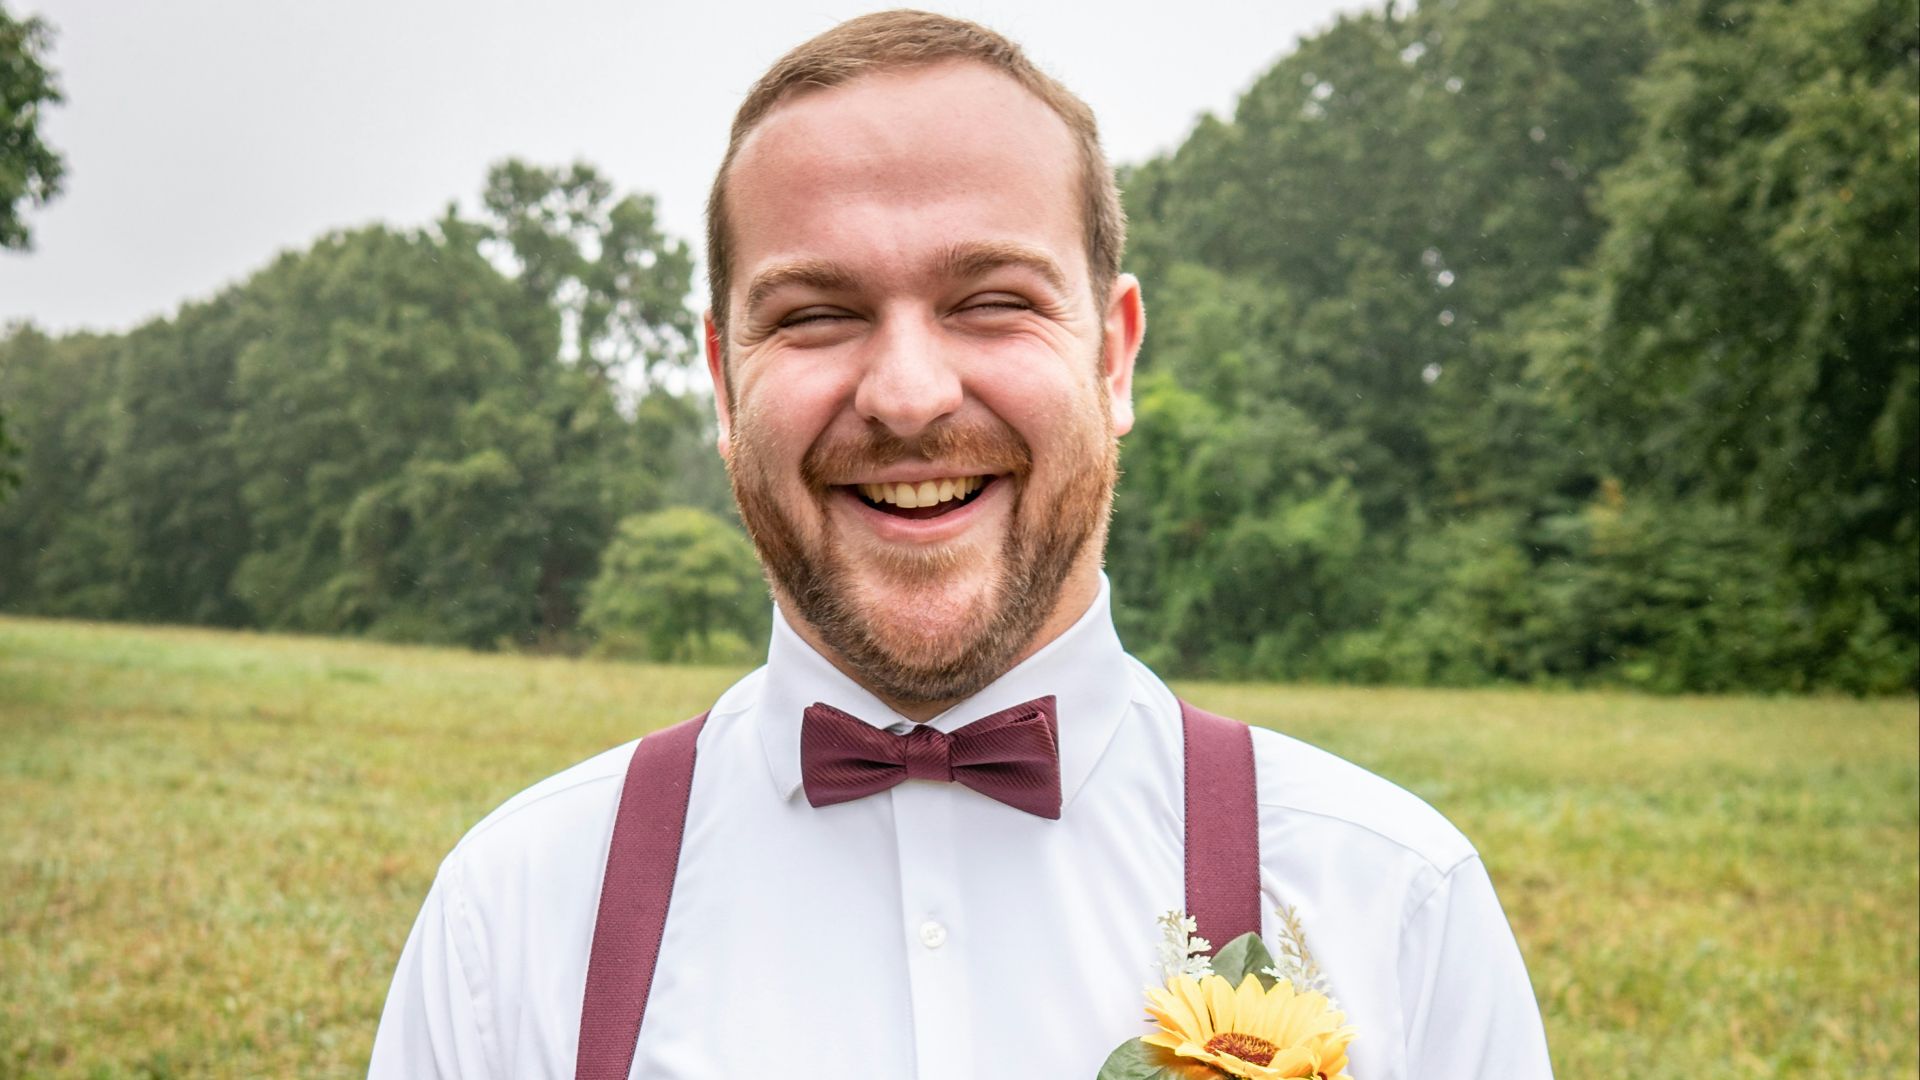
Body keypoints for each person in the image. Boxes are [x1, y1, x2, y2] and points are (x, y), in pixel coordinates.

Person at [369, 11, 1553, 1078]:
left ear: (1113, 354)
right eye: (817, 314)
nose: (907, 395)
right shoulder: (513, 917)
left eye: (991, 300)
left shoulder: (1396, 902)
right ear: (725, 382)